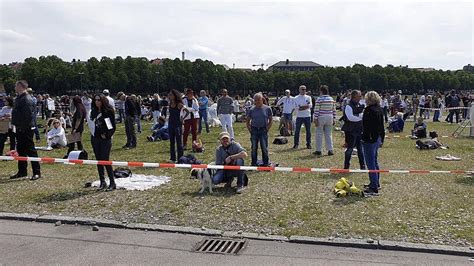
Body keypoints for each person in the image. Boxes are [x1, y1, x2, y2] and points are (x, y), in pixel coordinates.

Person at [10, 80, 41, 180]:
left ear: (20, 86)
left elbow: (28, 116)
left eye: (16, 86)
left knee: (31, 150)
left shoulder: (26, 99)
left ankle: (37, 172)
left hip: (26, 128)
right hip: (19, 128)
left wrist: (23, 127)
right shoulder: (19, 98)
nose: (14, 87)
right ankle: (22, 171)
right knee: (21, 150)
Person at [89, 94, 116, 191]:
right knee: (98, 160)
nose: (97, 102)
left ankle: (112, 182)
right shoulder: (93, 111)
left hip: (105, 139)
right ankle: (102, 181)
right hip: (95, 138)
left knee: (105, 159)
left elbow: (111, 126)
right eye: (95, 100)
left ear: (103, 100)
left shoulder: (108, 111)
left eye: (99, 100)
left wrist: (107, 135)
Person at [361, 91, 385, 196]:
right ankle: (376, 182)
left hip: (370, 139)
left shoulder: (368, 110)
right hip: (377, 138)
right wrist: (382, 139)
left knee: (370, 163)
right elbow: (381, 126)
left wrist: (364, 138)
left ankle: (373, 187)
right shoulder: (380, 109)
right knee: (374, 161)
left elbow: (366, 126)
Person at [341, 90, 365, 170]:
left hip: (359, 129)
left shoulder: (360, 105)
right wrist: (360, 117)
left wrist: (359, 116)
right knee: (350, 149)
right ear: (354, 96)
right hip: (350, 130)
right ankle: (346, 167)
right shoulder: (348, 106)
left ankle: (363, 166)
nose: (361, 97)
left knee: (360, 149)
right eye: (359, 96)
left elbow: (362, 115)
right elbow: (350, 117)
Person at [246, 93, 273, 166]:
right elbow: (247, 121)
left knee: (264, 148)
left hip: (263, 130)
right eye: (256, 100)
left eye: (259, 100)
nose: (257, 101)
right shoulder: (251, 110)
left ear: (262, 100)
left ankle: (266, 163)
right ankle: (254, 163)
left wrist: (267, 128)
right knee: (254, 148)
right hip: (254, 130)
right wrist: (250, 130)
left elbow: (270, 119)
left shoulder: (267, 109)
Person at [313, 85, 336, 156]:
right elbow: (334, 110)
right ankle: (330, 150)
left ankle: (318, 150)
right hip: (330, 117)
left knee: (319, 134)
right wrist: (334, 118)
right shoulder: (331, 99)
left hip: (321, 117)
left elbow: (316, 110)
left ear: (321, 91)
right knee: (328, 134)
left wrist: (315, 119)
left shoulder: (319, 99)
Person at [168, 89, 188, 162]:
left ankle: (180, 158)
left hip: (177, 124)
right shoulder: (170, 104)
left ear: (174, 95)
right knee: (172, 142)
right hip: (170, 124)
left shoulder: (179, 104)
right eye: (169, 95)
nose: (169, 96)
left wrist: (183, 118)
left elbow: (187, 112)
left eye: (171, 95)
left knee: (179, 142)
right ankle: (172, 158)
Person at [293, 85, 313, 149]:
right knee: (297, 131)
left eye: (305, 89)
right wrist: (304, 107)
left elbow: (310, 105)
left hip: (307, 116)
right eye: (302, 89)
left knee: (308, 131)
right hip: (299, 116)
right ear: (299, 90)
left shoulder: (308, 97)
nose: (304, 90)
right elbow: (296, 107)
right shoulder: (296, 98)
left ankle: (308, 144)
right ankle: (296, 144)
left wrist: (302, 107)